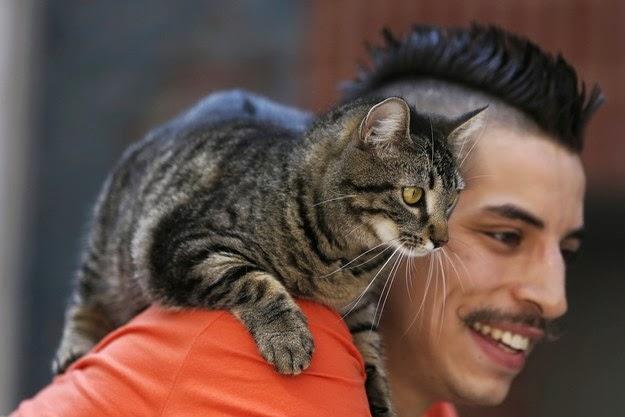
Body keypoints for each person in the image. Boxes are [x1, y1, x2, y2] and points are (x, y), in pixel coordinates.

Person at [10, 24, 602, 417]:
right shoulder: (272, 364)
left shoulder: (422, 405)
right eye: (505, 235)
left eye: (566, 251)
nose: (553, 298)